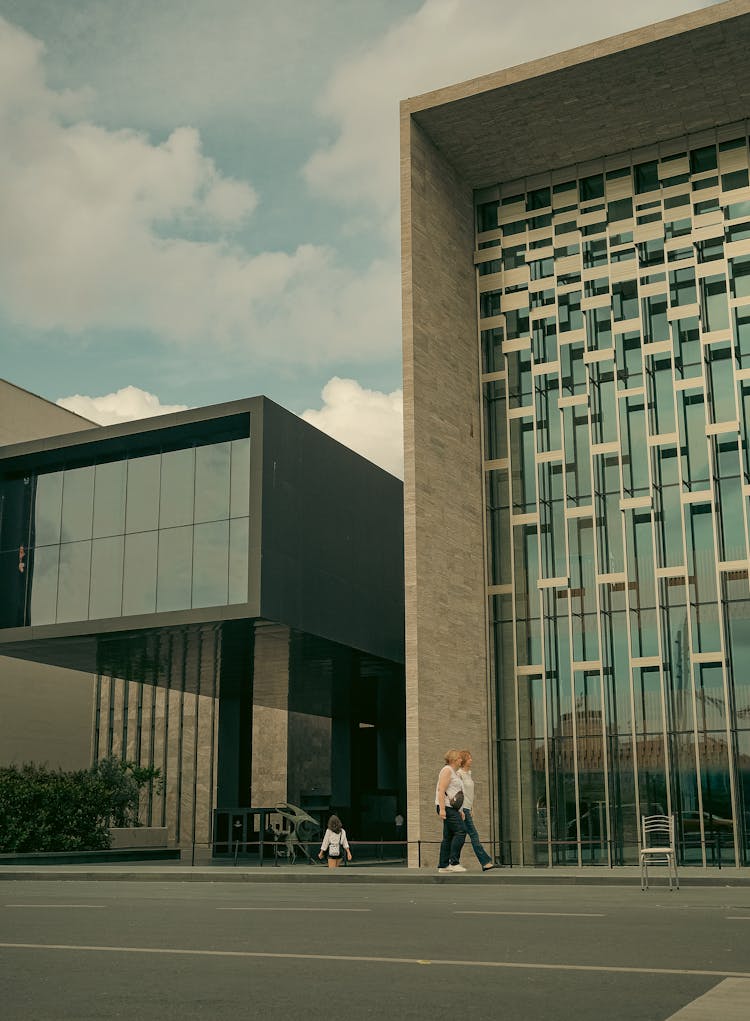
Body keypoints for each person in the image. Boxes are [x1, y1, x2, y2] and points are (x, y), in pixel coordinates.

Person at [458, 750, 495, 871]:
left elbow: (469, 794)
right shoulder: (459, 774)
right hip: (462, 810)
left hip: (468, 808)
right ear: (463, 760)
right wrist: (462, 810)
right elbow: (458, 793)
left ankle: (452, 861)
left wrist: (472, 807)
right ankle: (485, 862)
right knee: (473, 834)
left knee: (459, 837)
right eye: (469, 758)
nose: (471, 760)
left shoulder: (468, 774)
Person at [435, 749, 467, 873]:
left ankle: (443, 865)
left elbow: (453, 792)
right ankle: (454, 862)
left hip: (450, 808)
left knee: (448, 836)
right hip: (446, 807)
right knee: (461, 831)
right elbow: (441, 790)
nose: (461, 760)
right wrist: (442, 809)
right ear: (453, 759)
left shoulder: (453, 772)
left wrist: (459, 810)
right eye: (459, 758)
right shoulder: (447, 770)